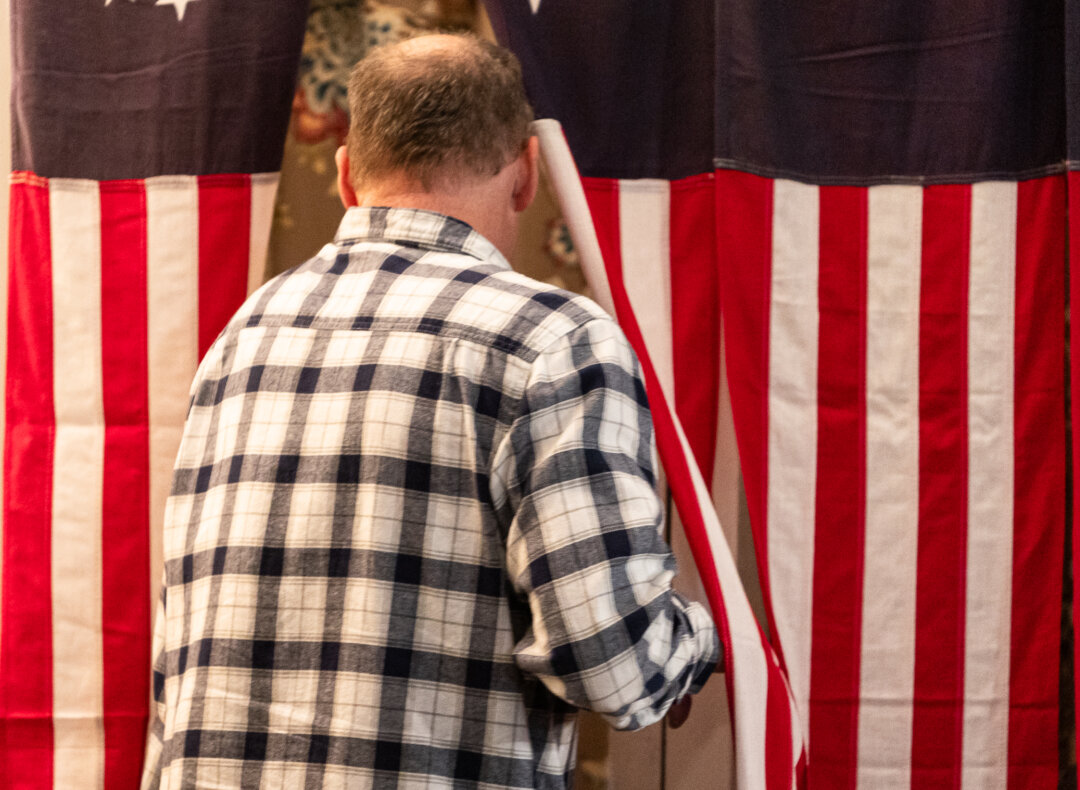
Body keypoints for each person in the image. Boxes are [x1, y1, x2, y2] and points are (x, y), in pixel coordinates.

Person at [141, 32, 721, 790]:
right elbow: (613, 662)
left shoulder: (243, 335)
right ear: (527, 173)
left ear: (346, 175)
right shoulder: (555, 341)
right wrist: (704, 641)